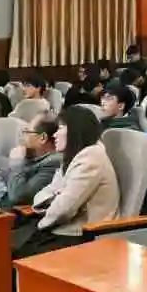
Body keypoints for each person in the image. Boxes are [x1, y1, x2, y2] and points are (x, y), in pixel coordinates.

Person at [13, 106, 121, 258]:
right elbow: (44, 194)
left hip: (84, 234)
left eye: (61, 128)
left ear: (75, 131)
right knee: (10, 247)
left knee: (19, 253)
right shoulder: (72, 156)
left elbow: (64, 209)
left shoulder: (91, 158)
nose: (55, 134)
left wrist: (44, 219)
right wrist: (56, 198)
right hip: (63, 228)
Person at [0, 117, 62, 209]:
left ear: (43, 138)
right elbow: (3, 174)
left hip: (9, 213)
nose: (22, 136)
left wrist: (16, 163)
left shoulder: (53, 163)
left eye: (27, 132)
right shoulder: (31, 155)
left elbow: (18, 196)